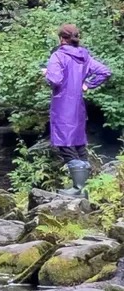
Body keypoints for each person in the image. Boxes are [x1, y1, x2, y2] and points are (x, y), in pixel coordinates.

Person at [45, 23, 112, 191]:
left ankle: (78, 188)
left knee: (65, 144)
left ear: (61, 39)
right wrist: (88, 84)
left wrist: (47, 73)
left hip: (62, 106)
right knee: (79, 143)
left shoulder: (58, 56)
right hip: (78, 107)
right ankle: (83, 188)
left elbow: (55, 80)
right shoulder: (84, 56)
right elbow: (105, 71)